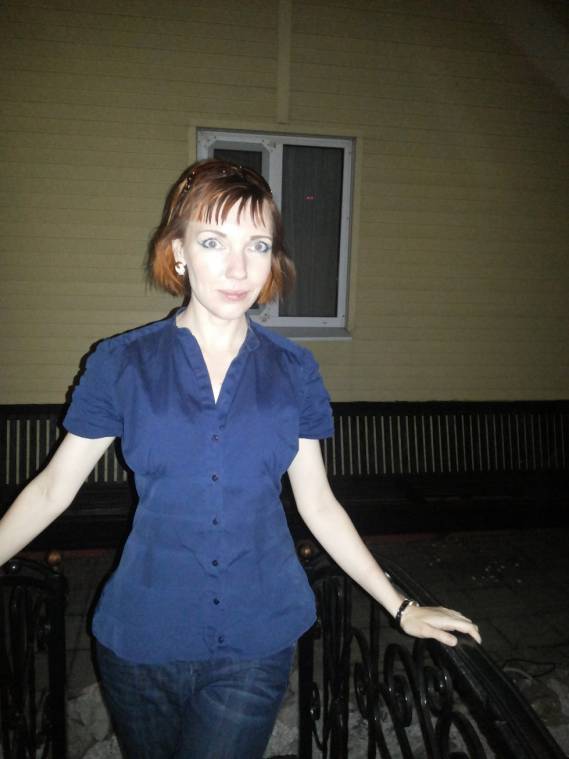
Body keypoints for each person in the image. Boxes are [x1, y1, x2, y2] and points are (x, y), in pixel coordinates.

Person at [0, 159, 481, 759]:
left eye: (257, 245)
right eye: (212, 242)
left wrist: (400, 606)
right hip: (140, 637)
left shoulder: (294, 369)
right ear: (178, 252)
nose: (238, 269)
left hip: (257, 637)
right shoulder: (121, 363)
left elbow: (319, 504)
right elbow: (52, 490)